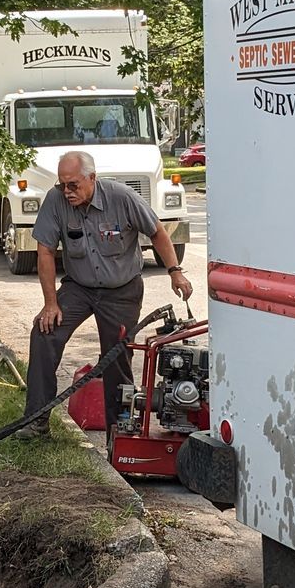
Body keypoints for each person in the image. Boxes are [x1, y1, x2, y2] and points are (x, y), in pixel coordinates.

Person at [21, 151, 191, 436]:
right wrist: (50, 303)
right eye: (62, 185)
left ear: (92, 178)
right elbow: (46, 251)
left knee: (116, 358)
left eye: (73, 185)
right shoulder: (56, 200)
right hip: (79, 287)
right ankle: (36, 421)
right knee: (44, 332)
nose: (67, 191)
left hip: (122, 290)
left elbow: (158, 232)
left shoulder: (121, 197)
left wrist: (175, 271)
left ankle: (120, 430)